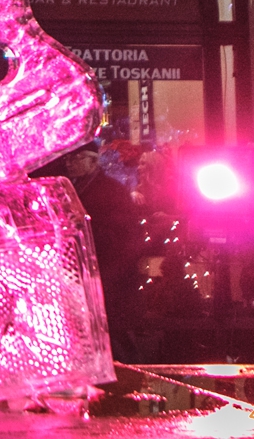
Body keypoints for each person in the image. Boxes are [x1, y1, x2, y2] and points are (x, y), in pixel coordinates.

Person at [65, 141, 145, 362]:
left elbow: (124, 235)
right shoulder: (73, 189)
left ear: (92, 161)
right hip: (87, 273)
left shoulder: (111, 191)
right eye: (69, 159)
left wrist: (85, 228)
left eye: (76, 158)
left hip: (110, 276)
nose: (70, 164)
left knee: (115, 336)